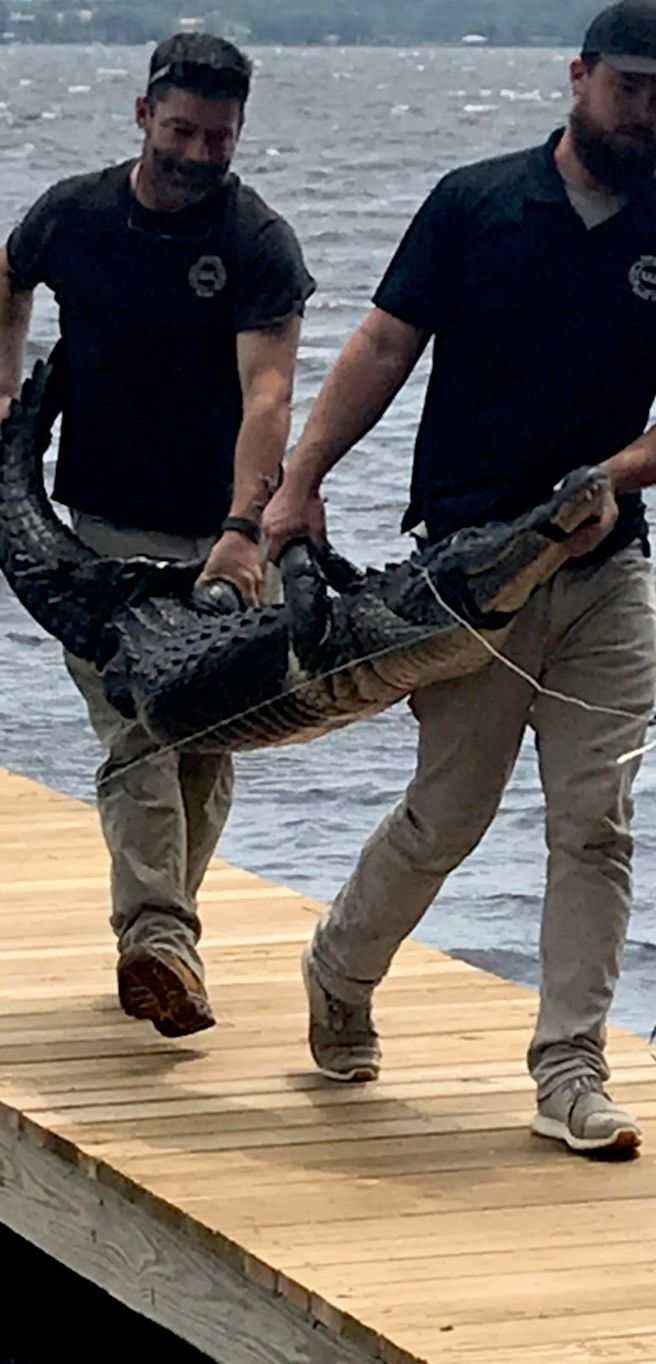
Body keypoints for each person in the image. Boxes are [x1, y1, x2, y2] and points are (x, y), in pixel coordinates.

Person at [263, 0, 656, 1156]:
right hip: (468, 571)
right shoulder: (473, 203)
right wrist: (298, 479)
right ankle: (341, 965)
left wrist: (615, 475)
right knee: (449, 812)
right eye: (628, 86)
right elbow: (382, 344)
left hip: (603, 575)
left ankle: (569, 1066)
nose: (645, 111)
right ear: (577, 77)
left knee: (597, 824)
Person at [0, 34, 315, 1039]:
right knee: (139, 724)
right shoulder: (74, 212)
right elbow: (6, 277)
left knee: (205, 744)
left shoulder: (259, 242)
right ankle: (160, 935)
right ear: (143, 116)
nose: (197, 152)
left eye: (218, 137)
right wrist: (3, 389)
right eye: (181, 130)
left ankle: (161, 939)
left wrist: (241, 529)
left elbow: (268, 392)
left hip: (221, 530)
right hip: (95, 528)